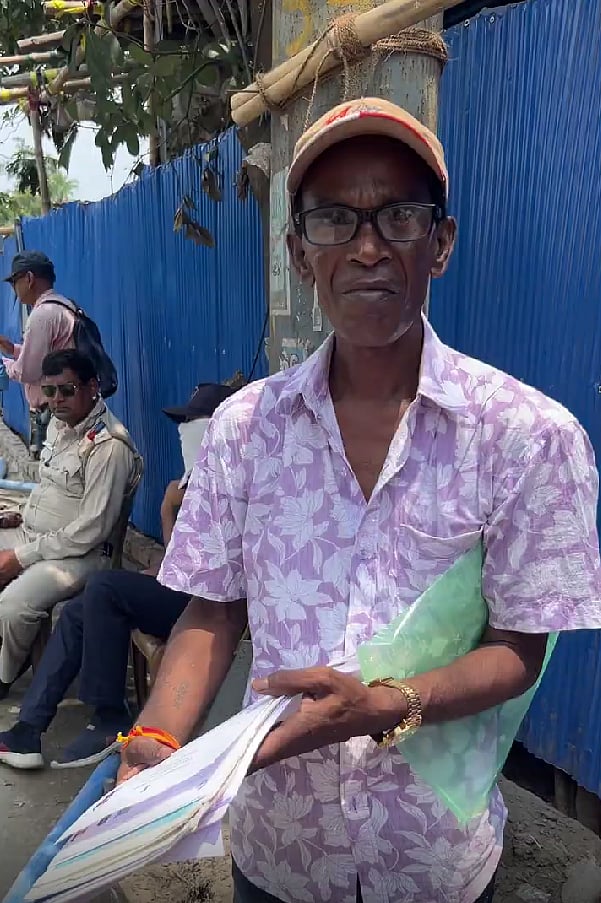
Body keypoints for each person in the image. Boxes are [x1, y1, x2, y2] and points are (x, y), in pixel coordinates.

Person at [117, 98, 601, 903]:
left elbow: (519, 649)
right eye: (334, 218)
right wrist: (157, 739)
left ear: (439, 243)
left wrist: (385, 705)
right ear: (298, 251)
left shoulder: (528, 435)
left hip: (432, 861)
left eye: (399, 216)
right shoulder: (244, 428)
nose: (368, 247)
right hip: (277, 852)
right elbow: (212, 613)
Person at [0, 382, 238, 768]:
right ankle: (28, 729)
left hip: (211, 607)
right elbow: (180, 555)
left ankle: (109, 715)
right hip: (183, 587)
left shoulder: (228, 483)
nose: (183, 432)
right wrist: (167, 510)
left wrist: (178, 509)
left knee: (105, 588)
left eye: (191, 424)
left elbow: (210, 571)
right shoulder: (192, 480)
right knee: (80, 610)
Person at [0, 349, 141, 700]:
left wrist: (21, 556)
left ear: (92, 387)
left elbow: (91, 529)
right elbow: (49, 484)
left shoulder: (109, 447)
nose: (57, 400)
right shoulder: (60, 424)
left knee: (14, 605)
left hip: (83, 555)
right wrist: (21, 515)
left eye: (67, 390)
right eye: (49, 392)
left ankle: (3, 676)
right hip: (36, 535)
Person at [0, 252, 75, 411]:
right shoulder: (64, 305)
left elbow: (26, 372)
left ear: (29, 278)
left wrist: (4, 364)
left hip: (53, 408)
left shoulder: (42, 315)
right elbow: (47, 358)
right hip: (65, 404)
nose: (14, 288)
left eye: (14, 281)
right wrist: (13, 350)